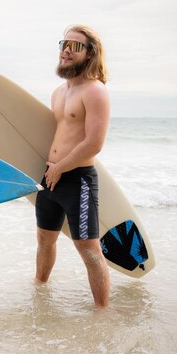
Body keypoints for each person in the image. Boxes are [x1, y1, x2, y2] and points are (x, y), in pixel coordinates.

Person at [34, 24, 111, 308]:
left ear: (89, 54)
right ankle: (39, 293)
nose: (66, 50)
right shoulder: (58, 92)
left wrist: (60, 167)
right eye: (64, 44)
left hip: (77, 179)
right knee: (44, 240)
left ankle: (102, 314)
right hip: (50, 178)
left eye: (75, 45)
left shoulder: (95, 92)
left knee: (89, 250)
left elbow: (94, 143)